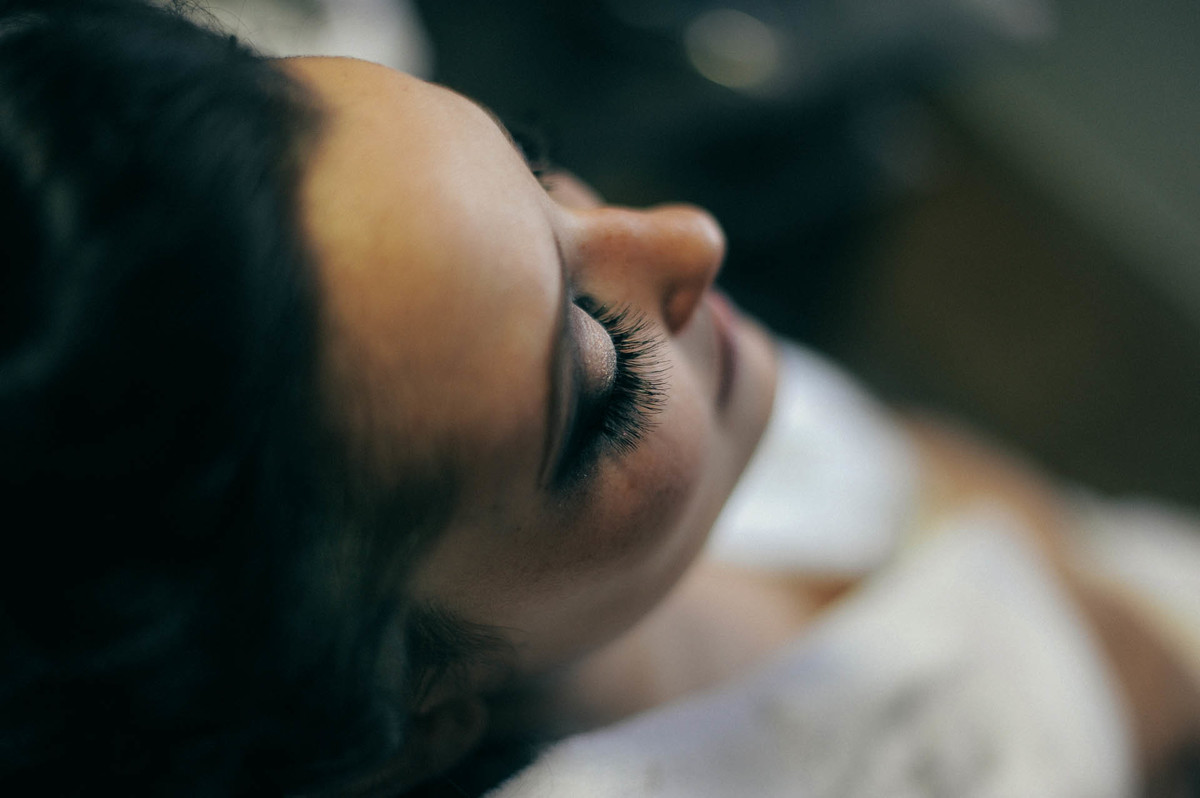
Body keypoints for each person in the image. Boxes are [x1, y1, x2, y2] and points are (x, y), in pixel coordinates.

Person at [1, 1, 1197, 795]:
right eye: (602, 368)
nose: (688, 235)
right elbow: (1130, 679)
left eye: (531, 164)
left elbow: (909, 466)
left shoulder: (617, 431)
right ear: (410, 718)